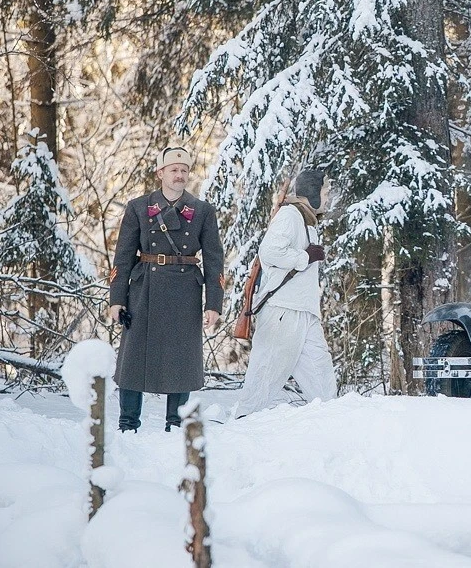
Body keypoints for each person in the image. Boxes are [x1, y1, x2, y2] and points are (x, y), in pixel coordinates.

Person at [108, 147, 224, 431]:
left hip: (185, 290)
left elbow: (214, 259)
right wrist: (116, 299)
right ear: (160, 173)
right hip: (144, 288)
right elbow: (123, 256)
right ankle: (128, 423)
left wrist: (213, 303)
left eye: (184, 170)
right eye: (173, 170)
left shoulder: (203, 211)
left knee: (182, 357)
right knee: (134, 356)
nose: (179, 175)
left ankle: (176, 423)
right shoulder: (138, 207)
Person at [233, 169, 337, 416]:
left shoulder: (307, 221)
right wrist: (304, 257)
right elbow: (270, 252)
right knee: (264, 376)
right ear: (312, 193)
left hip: (304, 311)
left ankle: (332, 421)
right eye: (324, 192)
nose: (327, 197)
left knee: (321, 375)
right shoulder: (290, 215)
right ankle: (242, 424)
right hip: (283, 310)